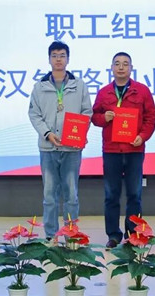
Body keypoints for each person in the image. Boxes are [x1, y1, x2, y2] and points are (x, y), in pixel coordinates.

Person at [92, 52, 155, 249]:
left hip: (134, 149)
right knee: (111, 195)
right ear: (112, 67)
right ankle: (113, 235)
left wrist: (142, 137)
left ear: (131, 68)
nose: (121, 67)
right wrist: (104, 118)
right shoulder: (104, 92)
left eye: (125, 64)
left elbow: (151, 117)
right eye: (117, 64)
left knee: (134, 194)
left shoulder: (142, 91)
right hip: (111, 150)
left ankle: (133, 234)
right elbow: (94, 117)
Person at [28, 41, 93, 239]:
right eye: (54, 55)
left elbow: (87, 112)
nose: (58, 59)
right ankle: (51, 236)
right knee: (49, 196)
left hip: (72, 149)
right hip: (48, 148)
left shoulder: (79, 85)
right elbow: (34, 114)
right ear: (49, 59)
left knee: (71, 195)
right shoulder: (39, 87)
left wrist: (80, 134)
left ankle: (71, 235)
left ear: (68, 59)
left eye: (62, 55)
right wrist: (47, 133)